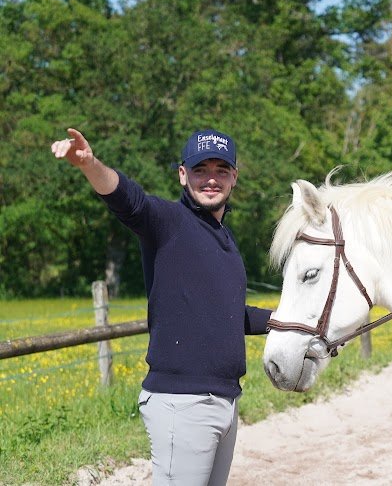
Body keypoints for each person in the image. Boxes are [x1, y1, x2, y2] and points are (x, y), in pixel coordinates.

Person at [51, 127, 272, 485]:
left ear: (234, 177)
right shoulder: (168, 222)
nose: (211, 179)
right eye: (201, 170)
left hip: (225, 400)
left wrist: (284, 321)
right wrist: (90, 165)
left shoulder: (226, 239)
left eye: (221, 170)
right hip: (182, 404)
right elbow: (129, 200)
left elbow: (226, 314)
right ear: (183, 175)